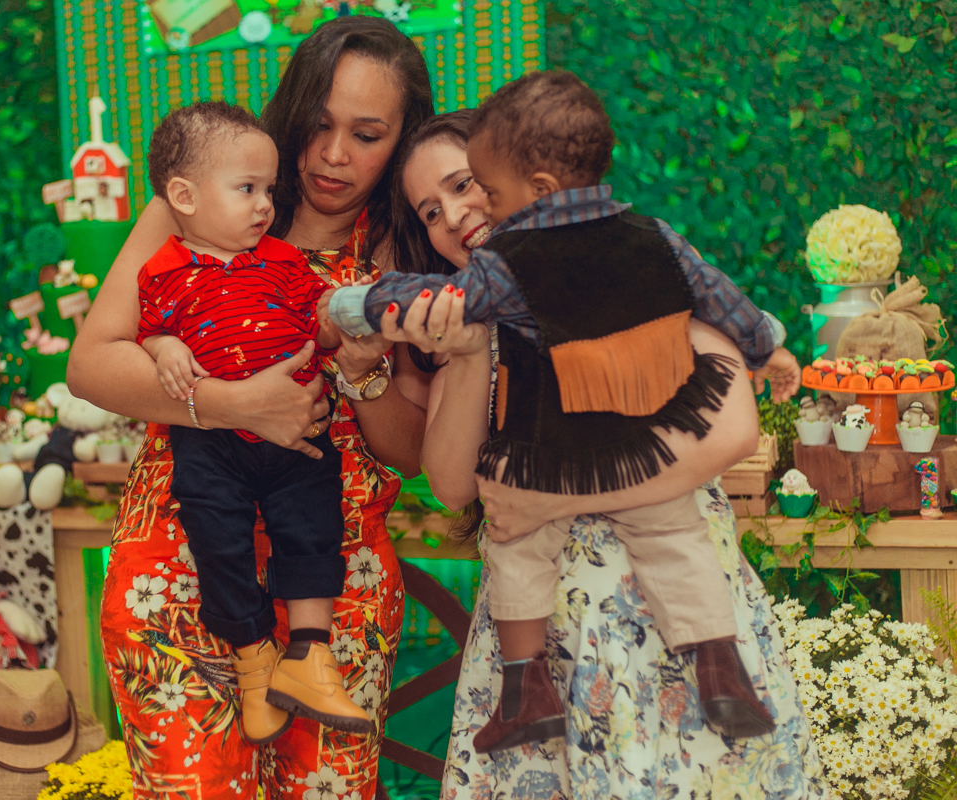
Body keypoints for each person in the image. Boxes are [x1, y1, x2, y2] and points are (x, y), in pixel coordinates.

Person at [325, 70, 800, 751]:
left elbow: (731, 433)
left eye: (468, 185)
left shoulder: (600, 275)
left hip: (651, 624)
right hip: (562, 621)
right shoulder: (494, 312)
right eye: (429, 212)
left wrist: (355, 303)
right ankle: (548, 689)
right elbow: (452, 486)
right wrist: (465, 351)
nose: (454, 214)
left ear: (529, 178)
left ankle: (660, 680)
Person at [67, 16, 436, 799]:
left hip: (334, 586)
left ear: (402, 141)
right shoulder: (194, 207)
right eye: (319, 125)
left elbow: (411, 453)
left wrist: (364, 375)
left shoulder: (406, 248)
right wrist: (230, 403)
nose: (333, 155)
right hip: (179, 568)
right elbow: (92, 363)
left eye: (367, 135)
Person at [136, 100, 371, 741]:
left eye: (269, 190)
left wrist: (343, 319)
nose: (266, 205)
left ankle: (311, 655)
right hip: (211, 445)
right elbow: (148, 331)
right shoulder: (161, 271)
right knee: (217, 542)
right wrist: (165, 348)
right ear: (184, 196)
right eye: (247, 189)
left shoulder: (285, 261)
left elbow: (317, 325)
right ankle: (253, 658)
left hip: (298, 433)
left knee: (315, 525)